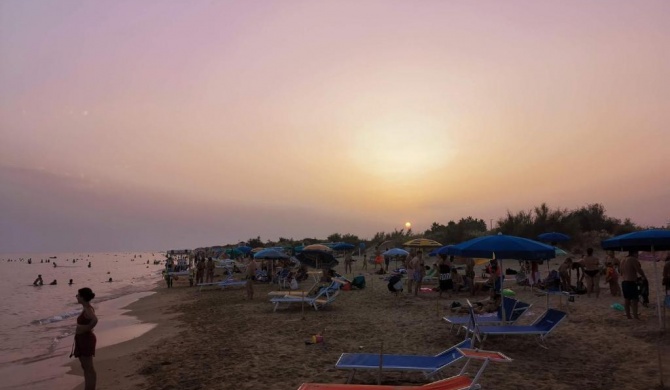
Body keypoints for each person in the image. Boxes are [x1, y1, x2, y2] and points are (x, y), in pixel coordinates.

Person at [74, 287, 98, 390]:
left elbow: (95, 319)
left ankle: (90, 388)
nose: (76, 297)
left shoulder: (88, 309)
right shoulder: (86, 308)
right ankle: (88, 387)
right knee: (85, 367)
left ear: (82, 297)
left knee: (88, 367)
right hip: (82, 339)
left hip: (86, 340)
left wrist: (86, 328)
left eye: (78, 295)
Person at [620, 250, 646, 320]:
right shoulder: (632, 259)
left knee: (627, 299)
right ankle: (635, 316)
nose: (638, 256)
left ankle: (628, 315)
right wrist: (643, 276)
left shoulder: (623, 259)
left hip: (624, 281)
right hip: (631, 282)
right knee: (635, 300)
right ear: (634, 253)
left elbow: (620, 271)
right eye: (637, 254)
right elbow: (638, 269)